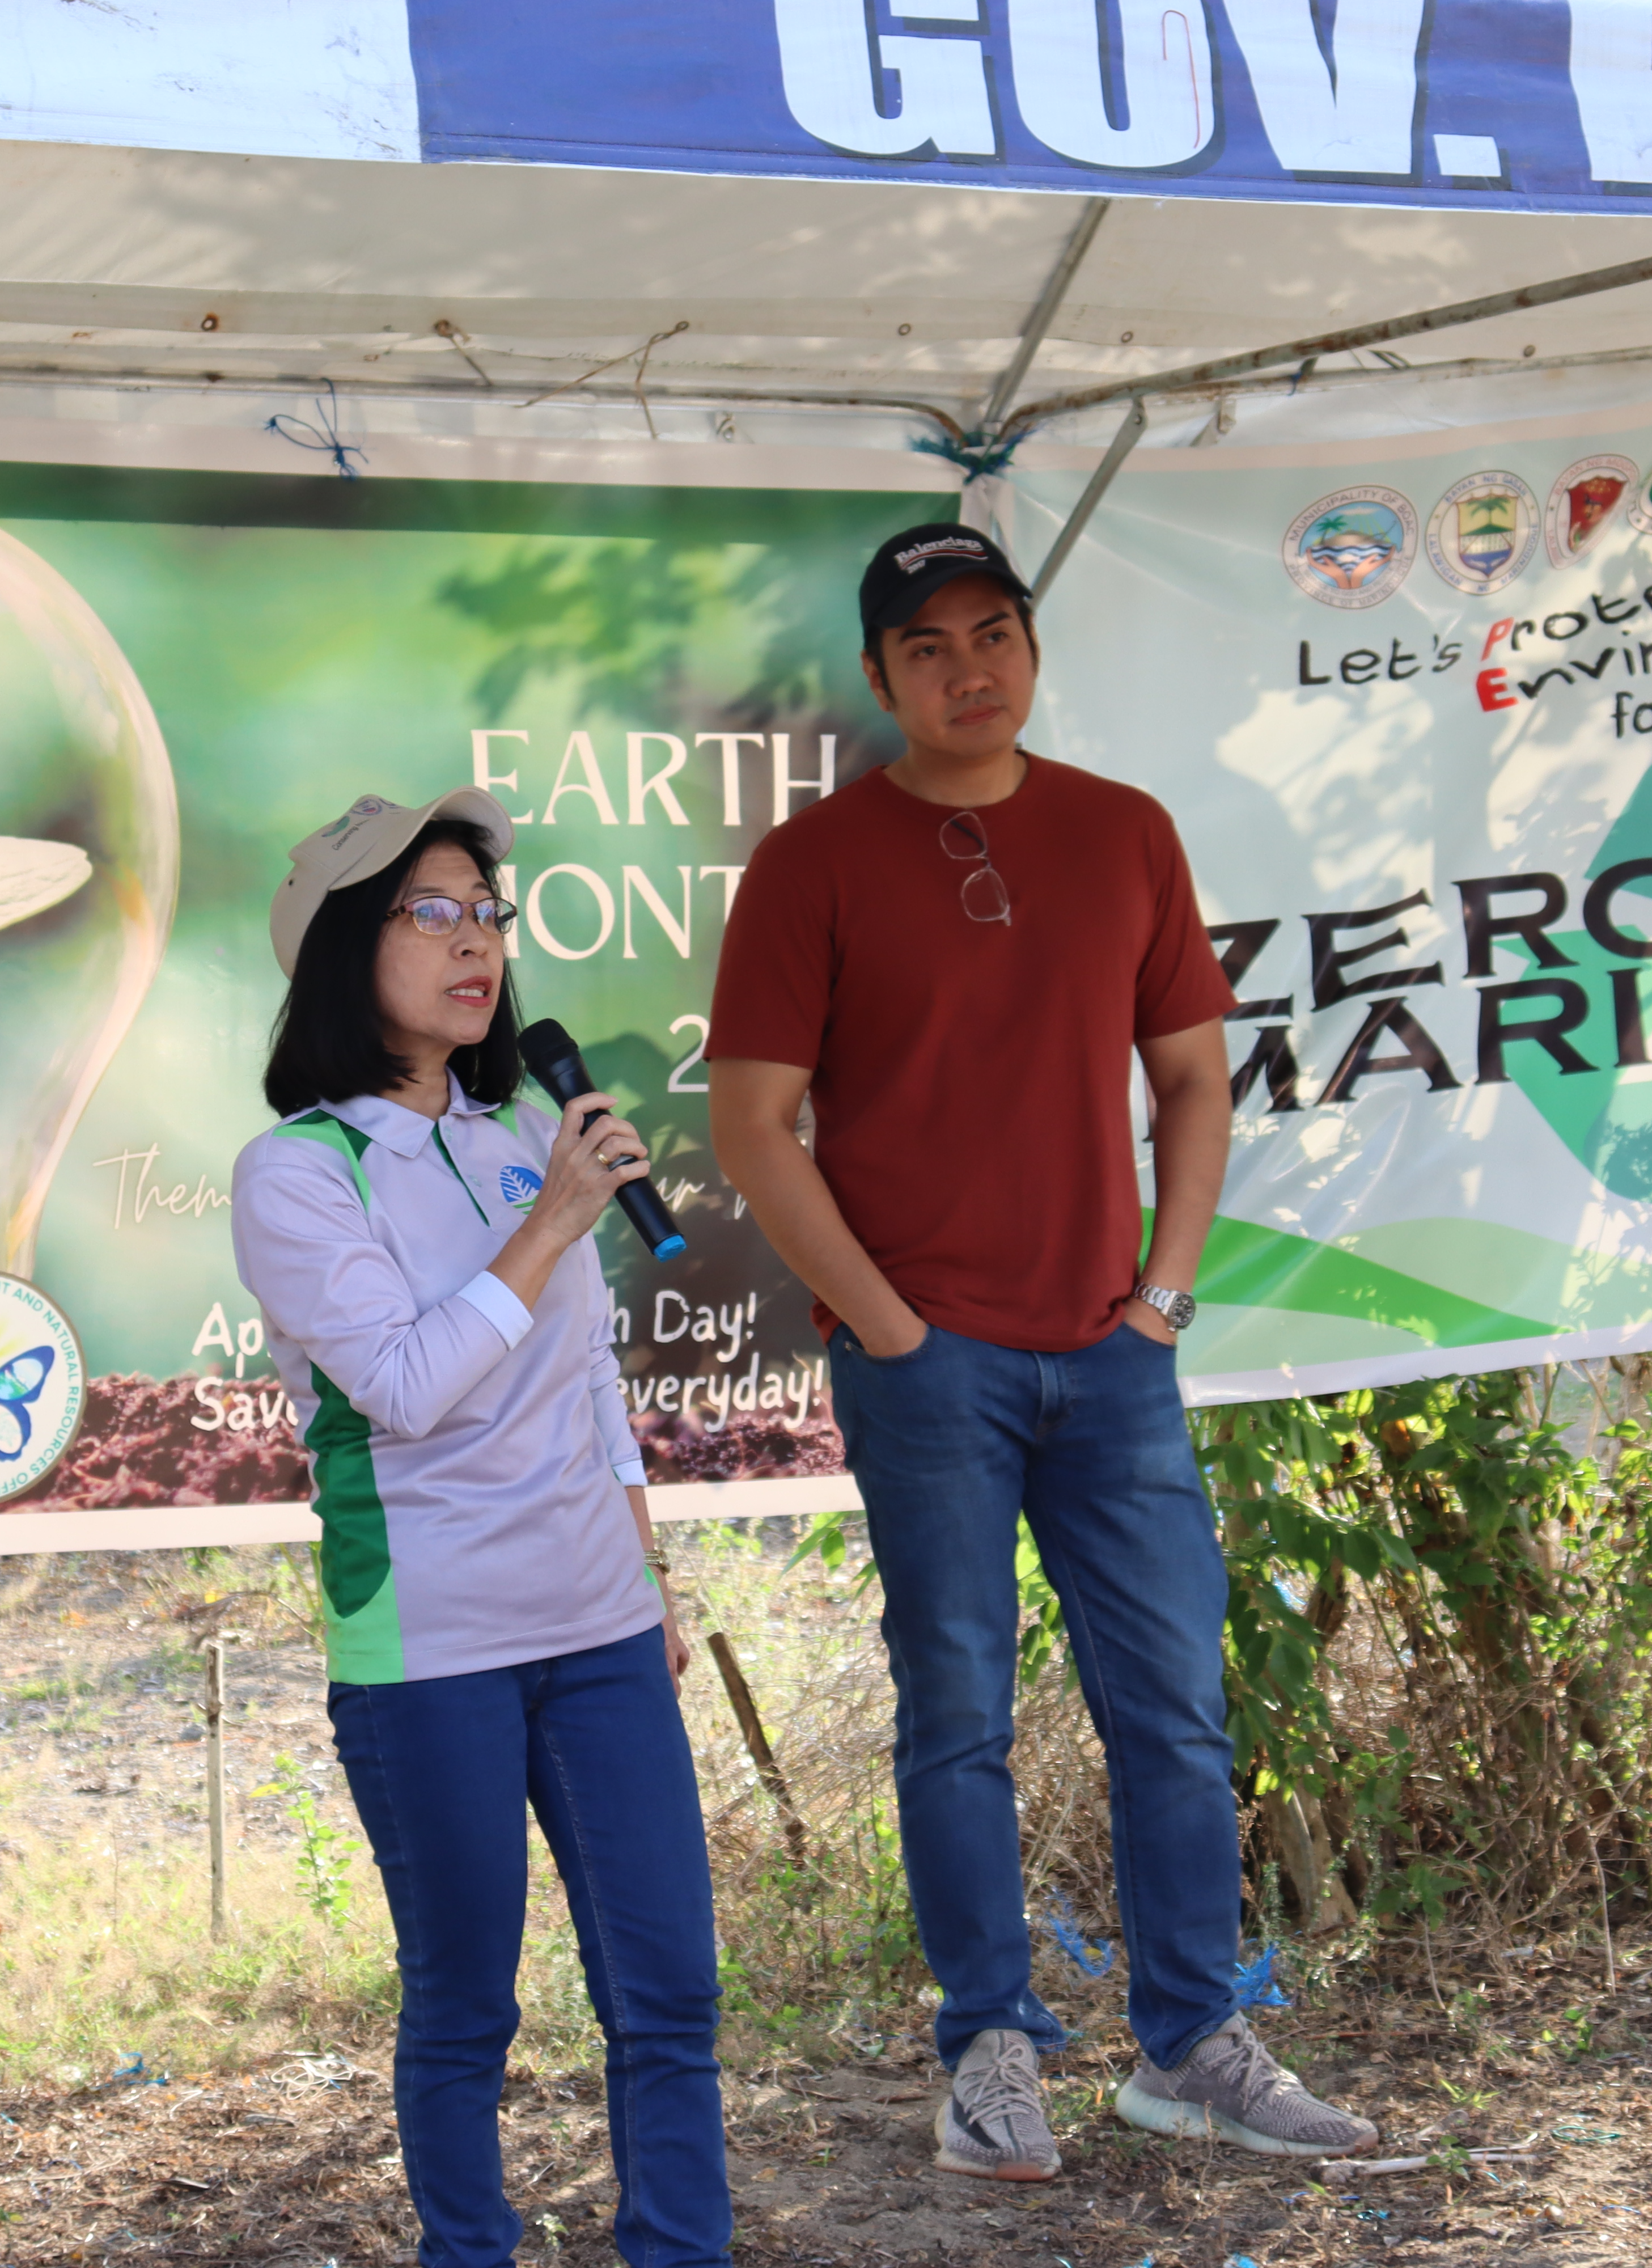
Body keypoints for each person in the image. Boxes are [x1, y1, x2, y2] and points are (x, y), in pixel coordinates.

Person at [706, 523, 1378, 2181]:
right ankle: (986, 2050)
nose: (967, 668)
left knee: (1176, 1712)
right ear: (879, 678)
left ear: (1030, 644)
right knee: (958, 1718)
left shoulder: (1123, 834)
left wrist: (1160, 1297)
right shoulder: (814, 863)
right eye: (925, 648)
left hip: (1113, 1356)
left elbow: (1198, 1082)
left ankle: (1191, 2046)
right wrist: (886, 1323)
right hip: (928, 1365)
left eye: (992, 632)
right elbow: (751, 1125)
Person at [230, 789, 729, 2268]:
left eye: (489, 913)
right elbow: (400, 1390)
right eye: (431, 911)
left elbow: (584, 1373)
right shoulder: (301, 1171)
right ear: (340, 949)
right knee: (468, 2007)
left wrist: (647, 1573)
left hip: (601, 1626)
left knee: (670, 1993)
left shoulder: (530, 1128)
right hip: (430, 1640)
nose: (477, 942)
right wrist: (551, 1223)